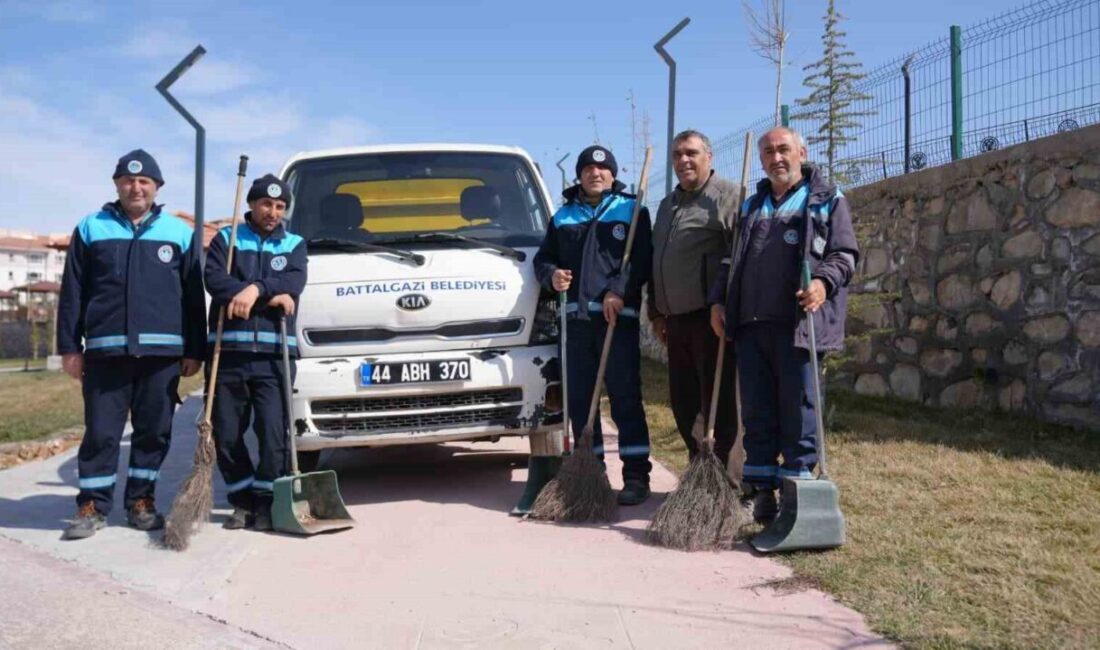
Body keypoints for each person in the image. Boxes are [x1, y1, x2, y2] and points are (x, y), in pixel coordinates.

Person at [708, 127, 859, 523]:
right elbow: (730, 260)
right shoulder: (751, 205)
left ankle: (798, 499)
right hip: (750, 326)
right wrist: (719, 301)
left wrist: (822, 284)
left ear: (802, 152)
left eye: (784, 149)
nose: (777, 157)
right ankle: (761, 496)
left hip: (799, 327)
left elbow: (845, 254)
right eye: (769, 151)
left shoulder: (826, 200)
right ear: (761, 159)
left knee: (799, 411)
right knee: (757, 414)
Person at [57, 149, 206, 540]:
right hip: (106, 353)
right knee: (102, 433)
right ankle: (91, 505)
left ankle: (142, 501)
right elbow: (72, 292)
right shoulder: (91, 228)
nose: (135, 186)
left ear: (156, 187)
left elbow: (193, 296)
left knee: (153, 432)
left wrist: (195, 349)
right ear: (117, 185)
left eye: (143, 181)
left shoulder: (178, 233)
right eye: (127, 180)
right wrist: (69, 347)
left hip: (162, 356)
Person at [533, 145, 654, 505]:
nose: (595, 174)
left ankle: (635, 476)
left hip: (617, 320)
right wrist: (552, 276)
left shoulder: (632, 210)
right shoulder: (563, 217)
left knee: (625, 398)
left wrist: (620, 291)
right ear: (579, 176)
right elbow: (543, 260)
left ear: (613, 175)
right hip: (577, 322)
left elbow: (642, 259)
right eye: (588, 169)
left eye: (602, 170)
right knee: (581, 403)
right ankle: (592, 473)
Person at [204, 174, 307, 531]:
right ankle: (242, 500)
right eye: (267, 204)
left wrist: (254, 289)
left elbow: (294, 283)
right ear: (251, 204)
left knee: (273, 433)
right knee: (227, 433)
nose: (273, 212)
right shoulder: (226, 239)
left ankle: (265, 502)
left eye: (280, 206)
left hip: (275, 354)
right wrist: (263, 294)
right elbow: (214, 280)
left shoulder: (294, 243)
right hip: (228, 351)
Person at [647, 129, 739, 472]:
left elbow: (738, 257)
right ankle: (699, 476)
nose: (683, 160)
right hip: (676, 322)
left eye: (691, 153)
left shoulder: (728, 196)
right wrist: (656, 311)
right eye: (677, 155)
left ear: (708, 157)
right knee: (684, 405)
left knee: (719, 405)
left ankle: (727, 481)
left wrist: (724, 303)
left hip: (710, 319)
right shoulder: (668, 204)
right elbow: (658, 259)